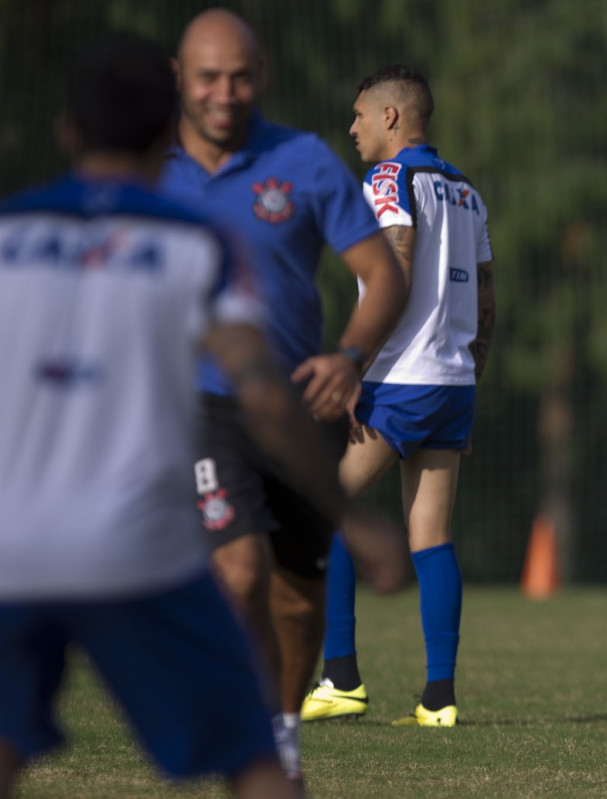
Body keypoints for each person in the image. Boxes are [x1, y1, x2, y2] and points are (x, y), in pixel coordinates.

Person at [0, 33, 404, 799]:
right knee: (253, 761)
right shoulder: (192, 244)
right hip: (132, 543)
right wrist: (353, 514)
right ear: (165, 133)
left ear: (66, 134)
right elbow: (260, 387)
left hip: (11, 545)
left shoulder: (9, 234)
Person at [157, 9, 408, 779]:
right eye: (208, 77)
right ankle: (249, 743)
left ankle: (282, 733)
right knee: (239, 572)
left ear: (259, 76)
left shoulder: (303, 161)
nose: (224, 93)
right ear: (179, 78)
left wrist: (349, 357)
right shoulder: (146, 164)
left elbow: (382, 277)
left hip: (302, 407)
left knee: (300, 598)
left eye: (238, 76)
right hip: (202, 404)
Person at [301, 64, 494, 728]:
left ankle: (341, 676)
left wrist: (355, 368)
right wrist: (471, 376)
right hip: (453, 382)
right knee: (431, 536)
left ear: (390, 116)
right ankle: (439, 698)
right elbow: (487, 300)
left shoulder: (389, 180)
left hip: (397, 378)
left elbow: (397, 272)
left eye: (359, 115)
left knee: (321, 505)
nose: (351, 127)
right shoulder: (467, 190)